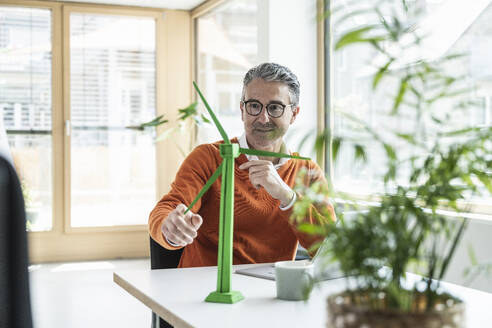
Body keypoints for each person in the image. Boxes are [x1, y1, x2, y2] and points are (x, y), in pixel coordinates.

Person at [148, 62, 335, 268]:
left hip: (270, 291)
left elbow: (330, 250)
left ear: (294, 114)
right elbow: (166, 209)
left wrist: (286, 196)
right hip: (205, 288)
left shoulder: (307, 172)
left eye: (275, 108)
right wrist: (170, 228)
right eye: (254, 106)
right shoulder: (209, 157)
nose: (263, 118)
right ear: (242, 110)